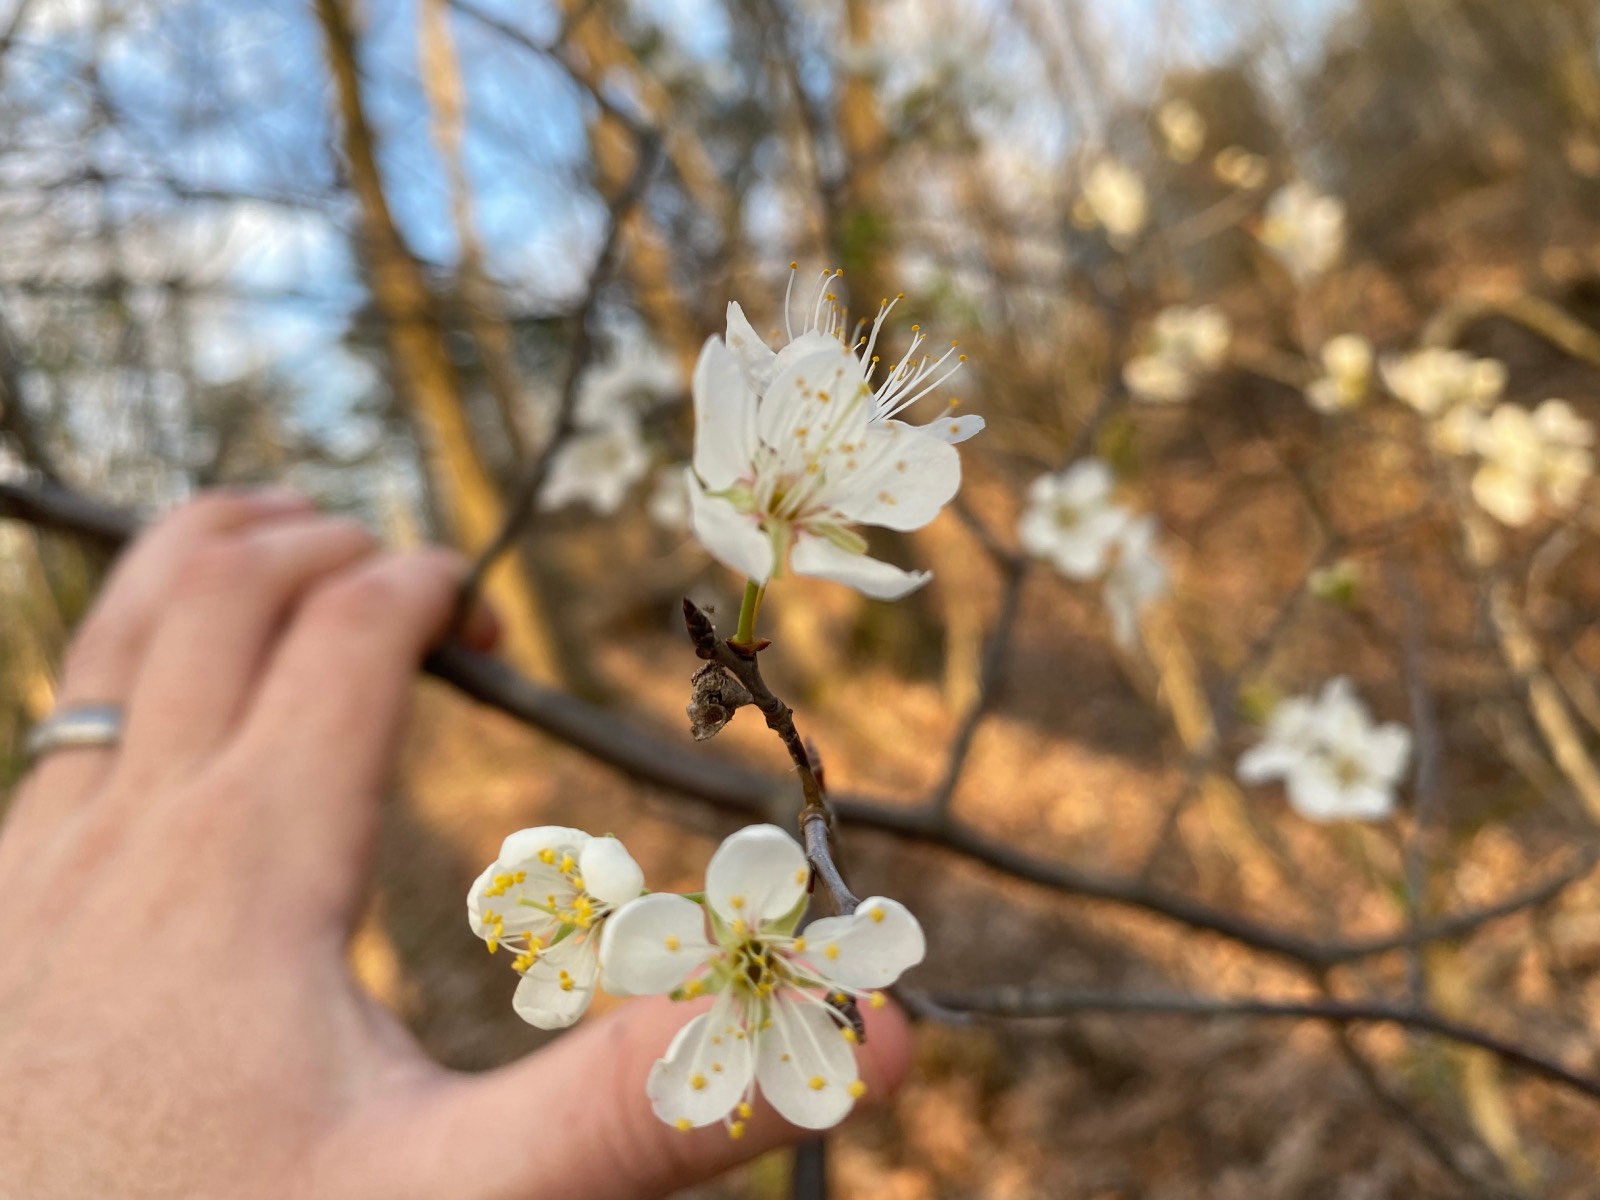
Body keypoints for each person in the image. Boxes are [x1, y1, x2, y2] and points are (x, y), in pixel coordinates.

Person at [0, 489, 910, 1198]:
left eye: (749, 962)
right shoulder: (649, 933)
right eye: (750, 960)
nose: (751, 966)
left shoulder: (700, 919)